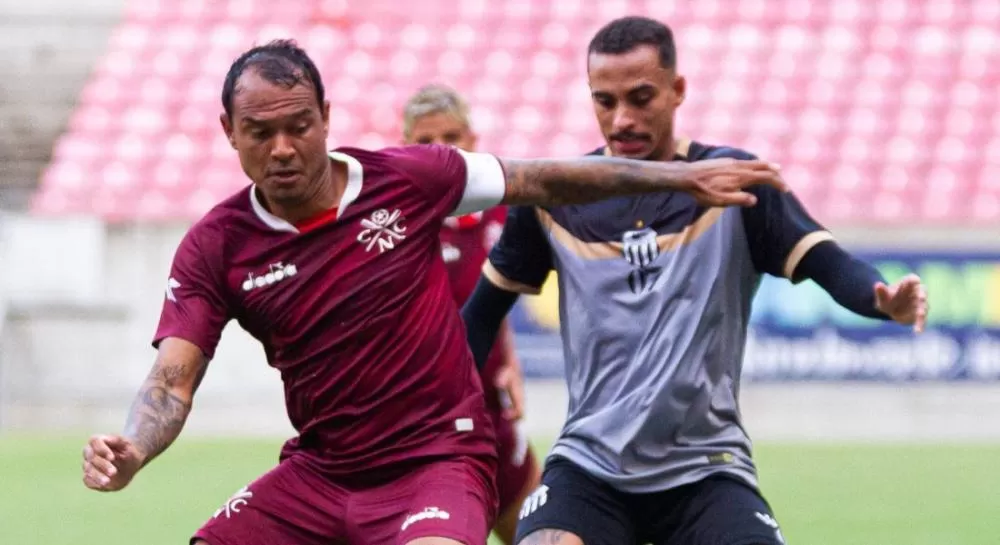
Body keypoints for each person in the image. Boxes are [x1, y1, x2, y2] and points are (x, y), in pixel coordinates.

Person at [78, 39, 784, 545]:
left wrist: (678, 179)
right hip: (321, 473)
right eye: (261, 132)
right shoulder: (217, 244)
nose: (284, 148)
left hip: (437, 463)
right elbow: (172, 381)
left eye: (299, 126)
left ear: (327, 114)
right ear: (229, 132)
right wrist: (134, 446)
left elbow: (543, 178)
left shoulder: (410, 179)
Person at [460, 16, 930, 545]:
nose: (622, 120)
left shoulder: (732, 184)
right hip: (589, 467)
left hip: (706, 468)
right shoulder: (557, 198)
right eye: (605, 101)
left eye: (641, 98)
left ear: (677, 89)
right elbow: (477, 320)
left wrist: (878, 299)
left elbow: (827, 261)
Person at [400, 83, 543, 545]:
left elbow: (489, 300)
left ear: (474, 142)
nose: (441, 151)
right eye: (426, 142)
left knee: (539, 531)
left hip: (491, 412)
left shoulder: (501, 216)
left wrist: (511, 362)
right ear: (406, 148)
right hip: (421, 428)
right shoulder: (394, 226)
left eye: (452, 137)